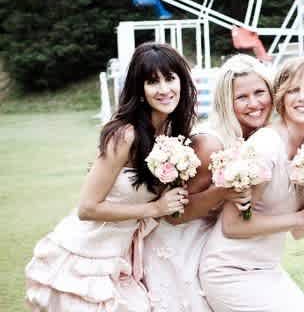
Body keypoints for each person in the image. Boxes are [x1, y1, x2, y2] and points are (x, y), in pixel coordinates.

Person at [25, 42, 197, 311]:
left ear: (182, 82)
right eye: (153, 82)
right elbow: (87, 208)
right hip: (85, 257)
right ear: (140, 90)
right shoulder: (124, 135)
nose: (164, 89)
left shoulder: (170, 135)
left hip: (121, 259)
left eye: (170, 78)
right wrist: (155, 208)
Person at [199, 57, 304, 312]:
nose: (303, 97)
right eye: (293, 90)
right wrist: (303, 215)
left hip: (267, 268)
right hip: (231, 271)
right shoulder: (267, 144)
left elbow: (299, 233)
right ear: (281, 97)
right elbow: (232, 225)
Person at [142, 54, 272, 311]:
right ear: (226, 102)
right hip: (181, 249)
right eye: (242, 97)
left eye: (259, 93)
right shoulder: (209, 144)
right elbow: (176, 215)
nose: (254, 104)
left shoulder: (260, 139)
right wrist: (223, 191)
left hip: (218, 249)